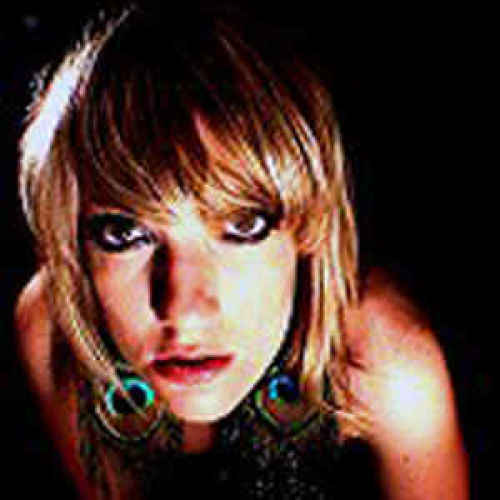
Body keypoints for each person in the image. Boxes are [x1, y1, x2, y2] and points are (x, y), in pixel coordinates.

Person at [14, 4, 468, 499]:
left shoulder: (388, 362)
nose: (184, 311)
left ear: (309, 229)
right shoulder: (55, 331)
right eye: (125, 234)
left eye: (242, 227)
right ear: (74, 245)